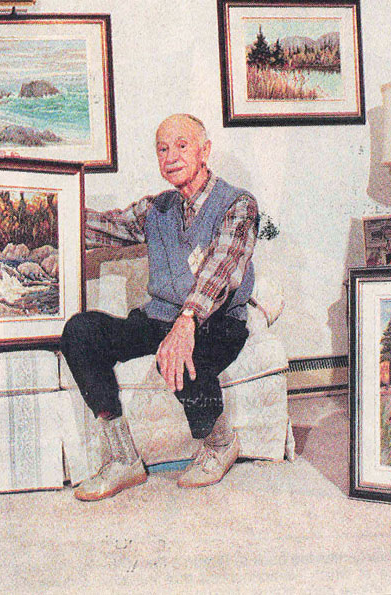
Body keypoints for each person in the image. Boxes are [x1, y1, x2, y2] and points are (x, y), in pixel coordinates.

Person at [60, 113, 259, 501]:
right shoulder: (157, 209)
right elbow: (103, 226)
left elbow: (222, 269)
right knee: (81, 331)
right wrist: (43, 201)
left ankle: (220, 444)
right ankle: (124, 459)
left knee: (184, 354)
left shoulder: (238, 204)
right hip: (161, 317)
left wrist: (187, 320)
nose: (171, 156)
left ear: (205, 151)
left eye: (182, 146)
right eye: (162, 149)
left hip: (218, 322)